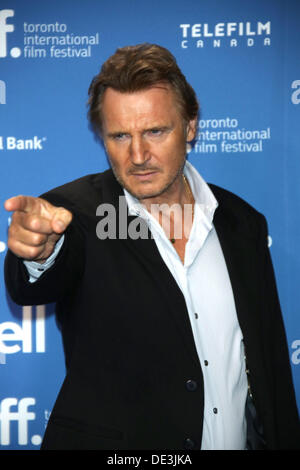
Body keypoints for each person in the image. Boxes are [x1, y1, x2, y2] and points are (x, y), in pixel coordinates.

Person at [4, 44, 300, 450]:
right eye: (120, 136)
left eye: (156, 131)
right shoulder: (73, 215)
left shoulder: (242, 223)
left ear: (190, 125)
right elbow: (31, 285)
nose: (138, 155)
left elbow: (268, 367)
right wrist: (38, 252)